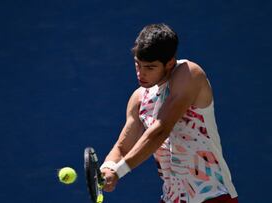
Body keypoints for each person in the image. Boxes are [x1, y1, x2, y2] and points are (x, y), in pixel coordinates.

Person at [100, 23, 238, 203]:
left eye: (149, 67)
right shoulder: (139, 98)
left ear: (170, 63)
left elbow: (161, 129)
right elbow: (122, 147)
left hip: (213, 196)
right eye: (137, 64)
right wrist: (108, 168)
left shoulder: (189, 73)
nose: (140, 73)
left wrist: (119, 172)